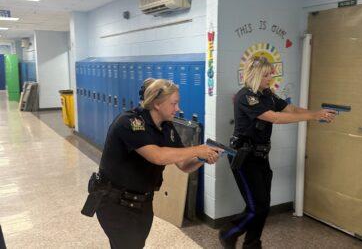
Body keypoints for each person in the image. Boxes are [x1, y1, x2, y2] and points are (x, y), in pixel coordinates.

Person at [84, 79, 222, 249]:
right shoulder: (129, 122)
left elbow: (184, 165)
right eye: (174, 103)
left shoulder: (167, 127)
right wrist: (197, 149)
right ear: (157, 104)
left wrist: (204, 158)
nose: (178, 108)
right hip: (116, 202)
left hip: (143, 203)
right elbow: (157, 156)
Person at [218, 56, 336, 249]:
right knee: (257, 207)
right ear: (255, 74)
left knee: (262, 207)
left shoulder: (268, 94)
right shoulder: (246, 97)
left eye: (270, 74)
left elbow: (291, 109)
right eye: (266, 75)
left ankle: (252, 244)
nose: (270, 78)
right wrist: (313, 116)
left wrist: (318, 113)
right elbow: (275, 118)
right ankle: (228, 233)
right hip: (244, 158)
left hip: (261, 158)